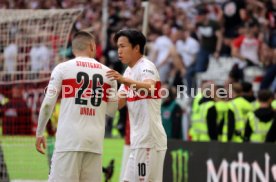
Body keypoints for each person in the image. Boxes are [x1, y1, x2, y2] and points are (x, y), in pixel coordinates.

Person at [35, 31, 118, 182]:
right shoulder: (109, 74)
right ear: (92, 46)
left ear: (73, 50)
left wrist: (40, 132)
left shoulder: (62, 68)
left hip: (69, 141)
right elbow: (112, 111)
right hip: (94, 144)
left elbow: (48, 104)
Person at [106, 29, 167, 182]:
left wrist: (123, 81)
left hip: (149, 141)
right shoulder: (128, 72)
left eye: (123, 46)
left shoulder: (147, 66)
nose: (119, 51)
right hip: (138, 142)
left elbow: (150, 87)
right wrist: (101, 95)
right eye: (118, 47)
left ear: (136, 48)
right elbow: (118, 103)